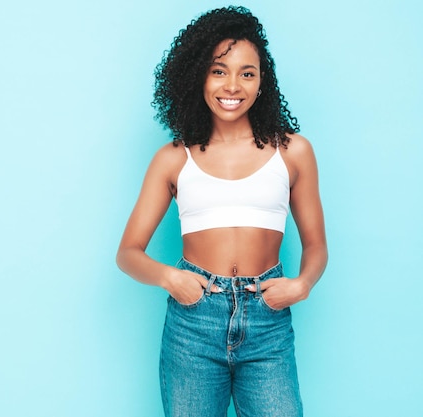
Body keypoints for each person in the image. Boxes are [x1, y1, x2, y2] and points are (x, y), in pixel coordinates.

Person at [116, 6, 327, 417]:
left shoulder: (294, 152)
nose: (233, 85)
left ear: (262, 82)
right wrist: (169, 278)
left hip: (268, 321)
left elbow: (317, 245)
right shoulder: (173, 159)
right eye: (219, 71)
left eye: (247, 73)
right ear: (198, 77)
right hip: (193, 324)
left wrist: (302, 285)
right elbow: (128, 253)